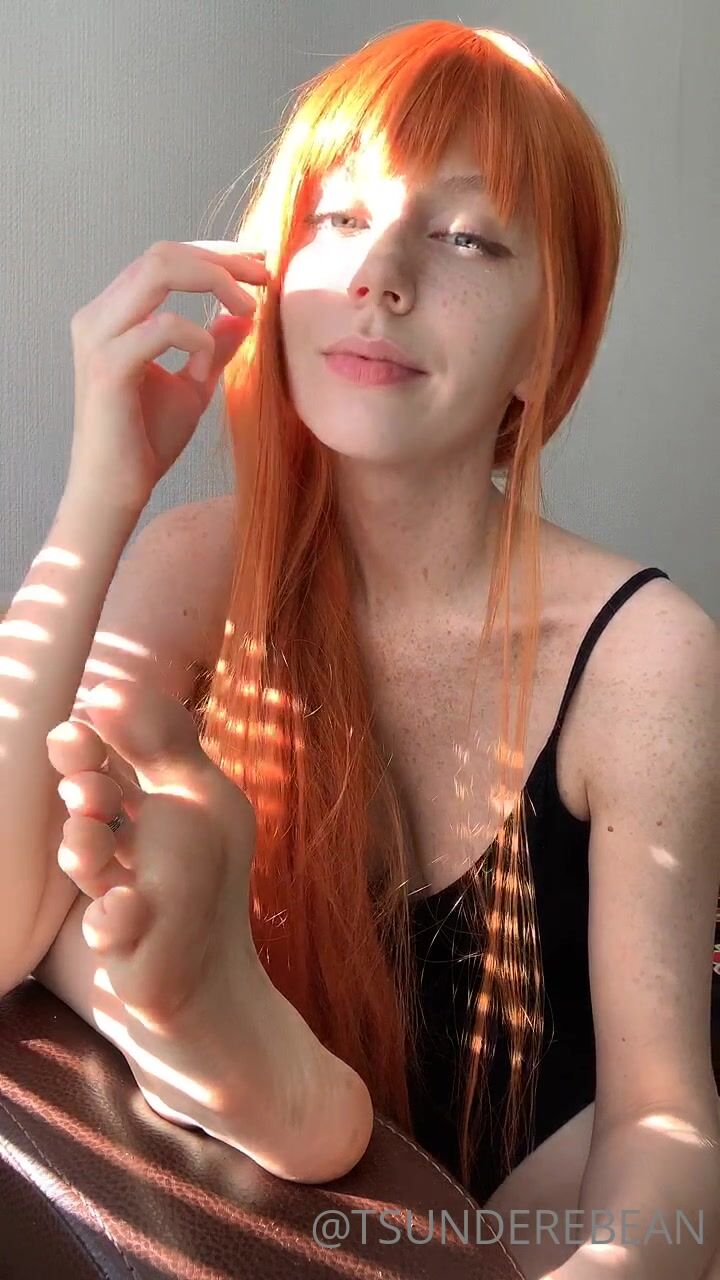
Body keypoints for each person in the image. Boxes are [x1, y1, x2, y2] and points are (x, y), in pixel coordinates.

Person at [1, 20, 718, 1280]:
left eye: (467, 237)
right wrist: (99, 492)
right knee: (57, 907)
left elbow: (663, 1114)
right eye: (338, 218)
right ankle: (253, 1073)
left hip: (516, 1201)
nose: (381, 273)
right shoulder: (196, 566)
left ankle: (256, 1072)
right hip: (274, 1204)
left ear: (546, 342)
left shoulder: (647, 655)